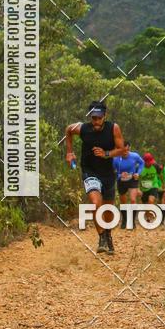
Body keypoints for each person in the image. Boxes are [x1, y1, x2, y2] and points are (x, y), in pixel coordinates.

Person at [65, 100, 126, 255]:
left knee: (107, 210)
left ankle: (108, 235)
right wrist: (69, 152)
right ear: (90, 117)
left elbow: (122, 150)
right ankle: (101, 237)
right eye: (94, 118)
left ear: (104, 116)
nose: (96, 121)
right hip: (89, 170)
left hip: (107, 173)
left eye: (99, 118)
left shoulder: (114, 128)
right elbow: (68, 130)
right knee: (95, 202)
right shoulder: (83, 129)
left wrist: (106, 154)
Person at [114, 142, 144, 228]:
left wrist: (138, 173)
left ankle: (132, 222)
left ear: (129, 149)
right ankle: (124, 220)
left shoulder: (135, 156)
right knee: (123, 201)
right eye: (123, 150)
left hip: (132, 180)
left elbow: (142, 163)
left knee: (133, 200)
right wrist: (120, 175)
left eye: (127, 150)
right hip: (121, 181)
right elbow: (112, 171)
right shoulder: (116, 159)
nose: (125, 152)